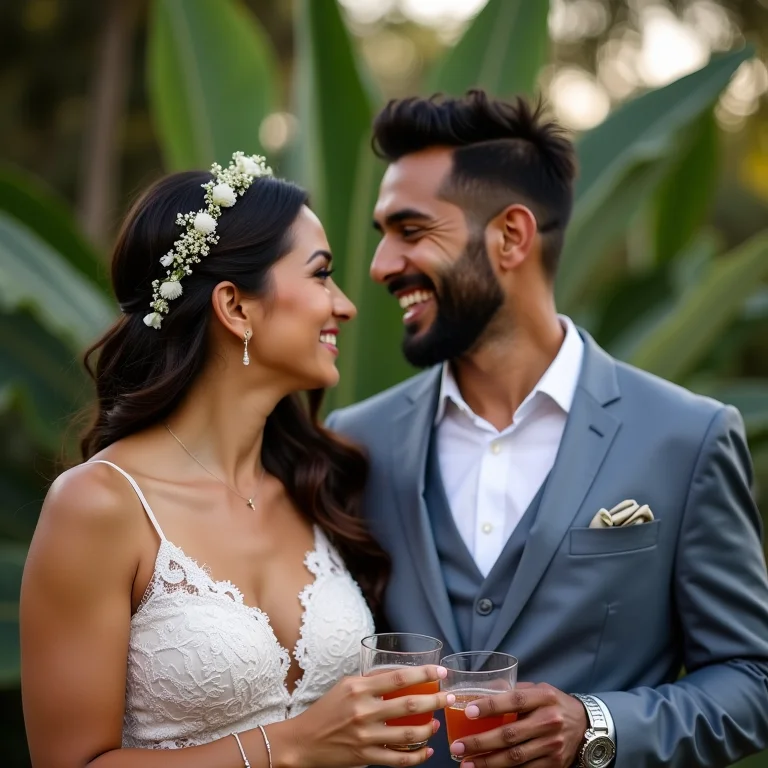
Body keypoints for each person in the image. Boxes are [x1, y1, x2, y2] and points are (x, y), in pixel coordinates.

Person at [326, 92, 768, 768]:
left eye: (411, 231)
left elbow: (752, 681)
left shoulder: (687, 438)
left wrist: (596, 725)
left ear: (511, 236)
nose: (381, 266)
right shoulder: (357, 439)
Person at [20, 152, 451, 768]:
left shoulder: (316, 484)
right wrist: (294, 745)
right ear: (236, 307)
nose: (346, 305)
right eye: (321, 274)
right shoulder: (101, 504)